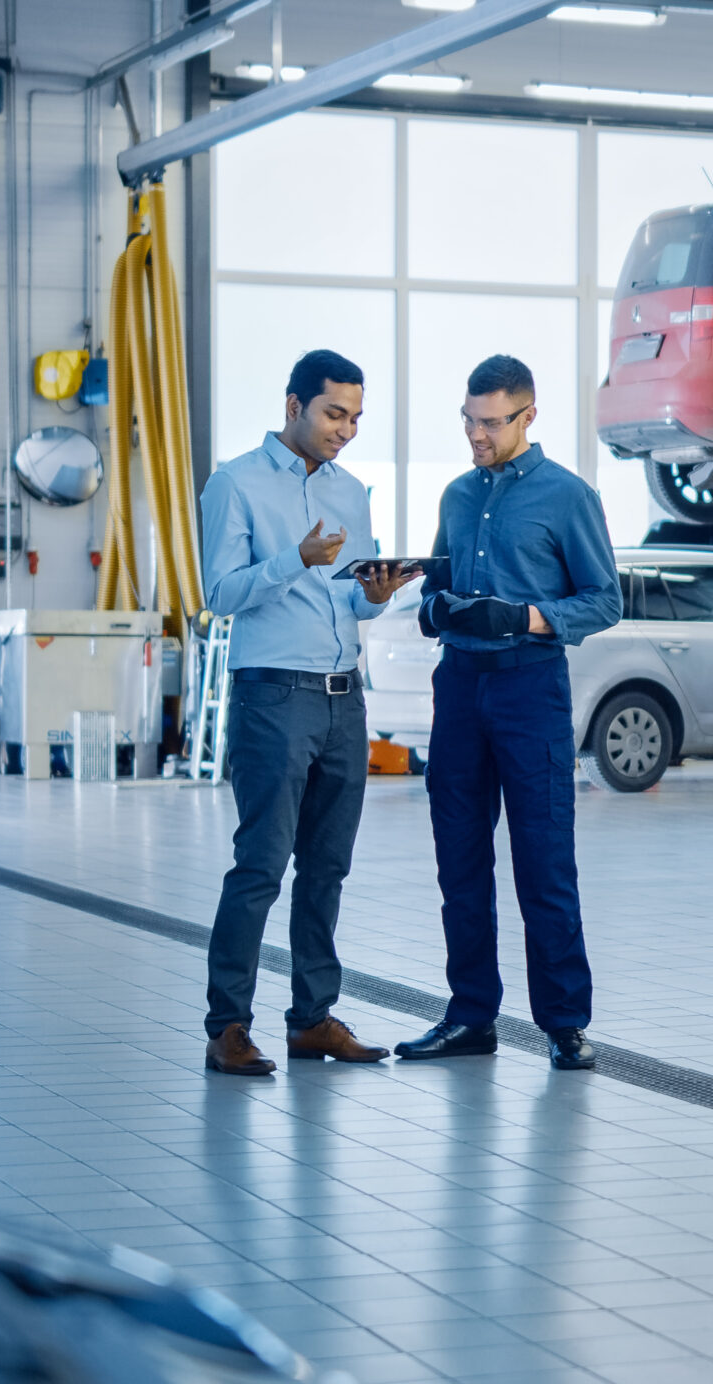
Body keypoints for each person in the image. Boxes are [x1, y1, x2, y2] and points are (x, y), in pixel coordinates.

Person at [395, 355, 621, 1070]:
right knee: (458, 862)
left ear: (528, 417)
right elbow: (440, 581)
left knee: (543, 862)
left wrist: (525, 618)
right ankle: (470, 1017)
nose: (477, 435)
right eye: (469, 420)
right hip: (459, 689)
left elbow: (604, 599)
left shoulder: (569, 497)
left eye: (491, 423)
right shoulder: (457, 496)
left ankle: (563, 1024)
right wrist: (432, 605)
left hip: (531, 690)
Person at [198, 349, 418, 1076]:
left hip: (341, 697)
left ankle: (312, 1019)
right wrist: (294, 558)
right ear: (293, 407)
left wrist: (377, 592)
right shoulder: (235, 484)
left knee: (327, 867)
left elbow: (349, 595)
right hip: (273, 695)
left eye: (356, 417)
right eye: (334, 414)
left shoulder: (352, 492)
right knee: (260, 865)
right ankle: (227, 1026)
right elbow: (220, 595)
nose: (346, 430)